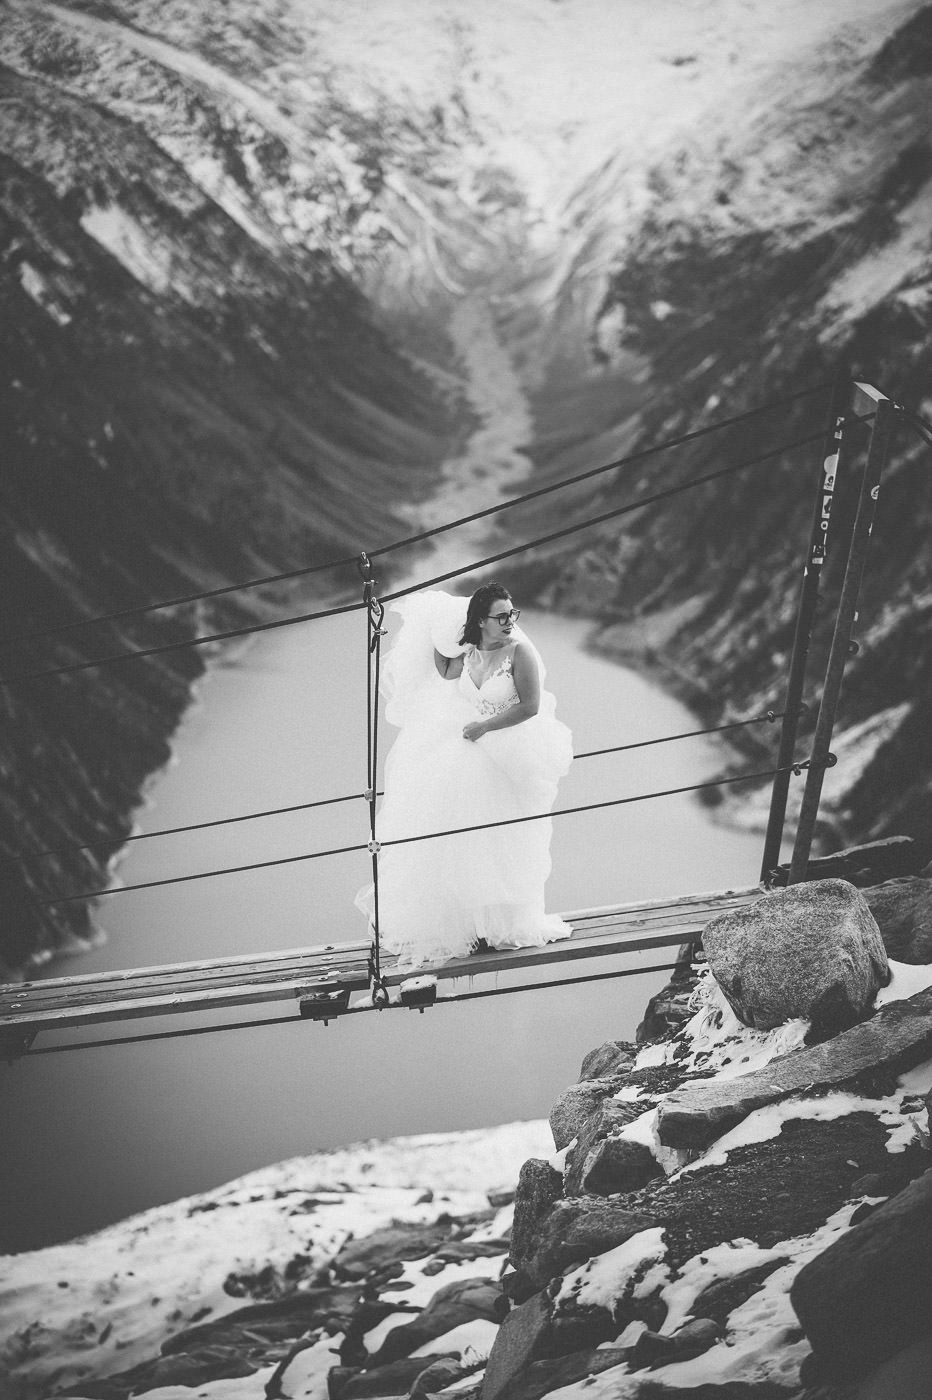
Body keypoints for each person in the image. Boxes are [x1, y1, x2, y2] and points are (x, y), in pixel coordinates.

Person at [354, 582, 573, 967]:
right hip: (471, 746)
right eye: (501, 616)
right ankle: (470, 924)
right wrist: (427, 624)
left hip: (506, 750)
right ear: (481, 622)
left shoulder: (519, 652)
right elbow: (443, 669)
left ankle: (503, 922)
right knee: (459, 836)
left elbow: (531, 706)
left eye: (511, 614)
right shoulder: (469, 653)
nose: (509, 622)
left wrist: (485, 727)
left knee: (500, 839)